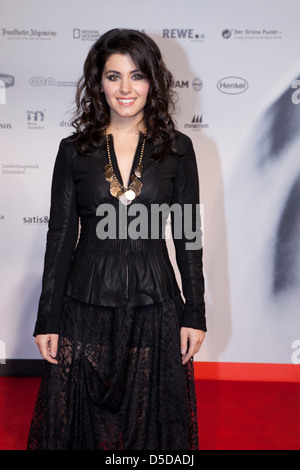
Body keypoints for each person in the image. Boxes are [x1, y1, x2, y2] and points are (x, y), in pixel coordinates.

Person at [27, 28, 206, 451]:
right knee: (78, 424)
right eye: (113, 76)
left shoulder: (178, 149)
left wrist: (194, 311)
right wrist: (47, 318)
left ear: (153, 82)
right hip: (83, 304)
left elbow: (188, 236)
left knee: (149, 428)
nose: (126, 88)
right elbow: (60, 236)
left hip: (156, 306)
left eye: (137, 75)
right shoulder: (73, 150)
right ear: (98, 83)